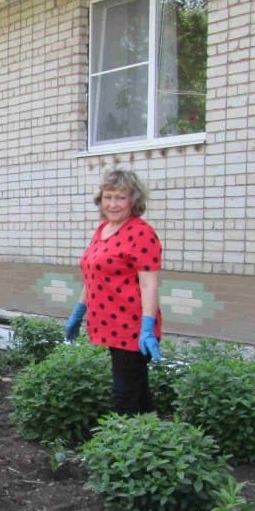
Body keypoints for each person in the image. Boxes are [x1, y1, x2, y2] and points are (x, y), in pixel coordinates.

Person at [64, 169, 163, 415]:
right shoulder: (103, 230)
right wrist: (79, 311)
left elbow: (149, 283)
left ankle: (121, 445)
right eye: (108, 197)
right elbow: (93, 274)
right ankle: (151, 434)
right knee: (136, 385)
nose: (113, 204)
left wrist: (147, 327)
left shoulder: (141, 232)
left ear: (133, 200)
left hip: (131, 325)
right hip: (107, 322)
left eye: (120, 197)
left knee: (124, 393)